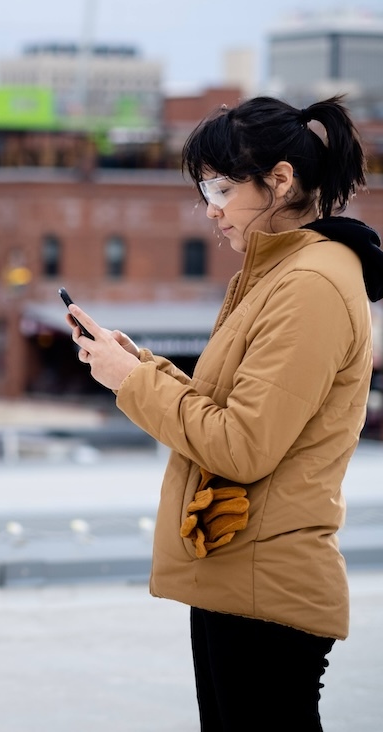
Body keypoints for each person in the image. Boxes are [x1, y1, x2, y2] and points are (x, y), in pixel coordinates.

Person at [65, 95, 383, 731]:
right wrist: (140, 366)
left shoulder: (310, 286)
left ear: (281, 180)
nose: (208, 208)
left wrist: (133, 383)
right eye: (202, 189)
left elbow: (241, 445)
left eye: (218, 186)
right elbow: (231, 410)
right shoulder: (279, 274)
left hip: (266, 589)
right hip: (240, 574)